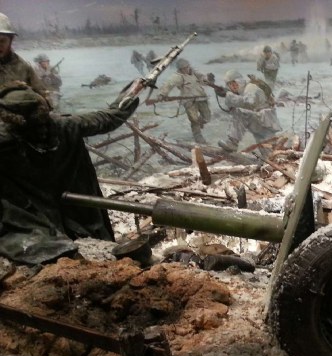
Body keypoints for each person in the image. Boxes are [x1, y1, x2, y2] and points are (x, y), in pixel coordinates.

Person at [0, 79, 141, 265]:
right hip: (73, 211)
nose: (41, 132)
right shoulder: (66, 126)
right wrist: (131, 93)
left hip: (37, 218)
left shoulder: (6, 140)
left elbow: (108, 118)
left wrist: (131, 92)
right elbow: (110, 117)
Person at [216, 70, 282, 154]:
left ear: (239, 80)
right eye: (230, 84)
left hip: (263, 121)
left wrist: (229, 96)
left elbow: (249, 103)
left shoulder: (250, 87)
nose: (233, 86)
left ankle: (232, 143)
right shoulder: (244, 90)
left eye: (234, 82)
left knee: (240, 113)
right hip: (262, 122)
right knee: (268, 154)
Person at [154, 58, 211, 145]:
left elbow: (203, 79)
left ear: (189, 66)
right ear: (180, 69)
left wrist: (206, 79)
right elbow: (169, 84)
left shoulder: (194, 72)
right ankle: (198, 137)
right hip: (188, 101)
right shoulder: (178, 76)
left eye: (186, 67)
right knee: (194, 120)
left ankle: (200, 123)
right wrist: (162, 94)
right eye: (183, 69)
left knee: (207, 117)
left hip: (201, 98)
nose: (185, 70)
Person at [0, 13, 46, 95]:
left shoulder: (23, 67)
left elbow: (43, 95)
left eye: (2, 41)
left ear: (11, 40)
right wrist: (7, 87)